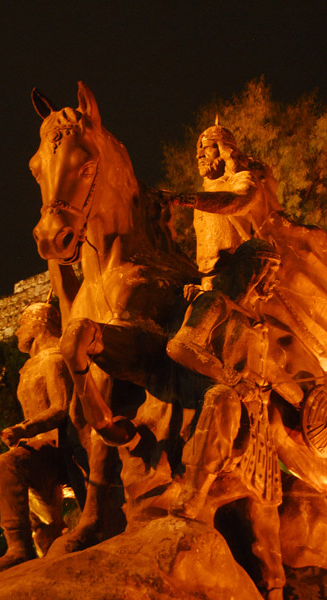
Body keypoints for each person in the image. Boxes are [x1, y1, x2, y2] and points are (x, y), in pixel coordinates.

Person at [167, 239, 304, 600]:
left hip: (256, 414)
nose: (272, 281)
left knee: (266, 511)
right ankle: (192, 498)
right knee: (223, 399)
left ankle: (275, 588)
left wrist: (303, 396)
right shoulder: (215, 304)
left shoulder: (257, 321)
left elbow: (267, 370)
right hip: (216, 399)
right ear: (249, 270)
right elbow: (180, 345)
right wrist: (229, 378)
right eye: (268, 272)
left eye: (275, 273)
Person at [171, 122, 327, 370]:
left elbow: (238, 202)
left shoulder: (243, 179)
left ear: (224, 151)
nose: (199, 155)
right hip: (205, 280)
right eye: (198, 150)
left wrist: (188, 199)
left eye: (208, 148)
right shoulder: (204, 193)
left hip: (240, 280)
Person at [0, 302, 86, 574]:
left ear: (39, 324)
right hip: (39, 447)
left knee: (6, 465)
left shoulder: (54, 359)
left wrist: (23, 429)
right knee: (45, 531)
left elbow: (61, 407)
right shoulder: (30, 367)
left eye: (21, 323)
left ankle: (18, 547)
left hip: (60, 447)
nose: (17, 331)